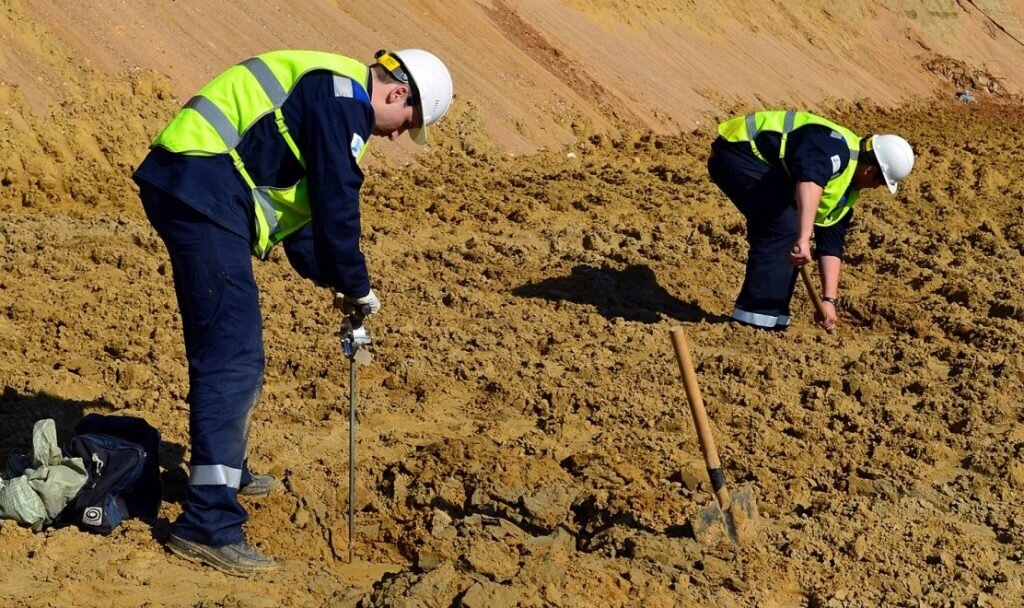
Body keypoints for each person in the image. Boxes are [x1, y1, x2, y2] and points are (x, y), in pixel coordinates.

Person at [132, 48, 453, 575]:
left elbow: (304, 228)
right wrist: (357, 281)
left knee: (231, 352)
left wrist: (341, 286)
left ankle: (226, 471)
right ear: (398, 94)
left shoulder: (329, 101)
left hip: (200, 186)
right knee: (232, 357)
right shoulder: (342, 97)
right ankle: (207, 523)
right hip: (200, 186)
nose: (397, 135)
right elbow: (336, 199)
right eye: (407, 123)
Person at [707, 110, 914, 332]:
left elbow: (831, 246)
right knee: (784, 227)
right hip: (739, 151)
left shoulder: (845, 192)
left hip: (769, 172)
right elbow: (809, 179)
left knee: (789, 228)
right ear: (870, 169)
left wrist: (829, 300)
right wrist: (804, 237)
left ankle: (774, 319)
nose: (876, 188)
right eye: (880, 182)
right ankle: (752, 321)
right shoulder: (836, 149)